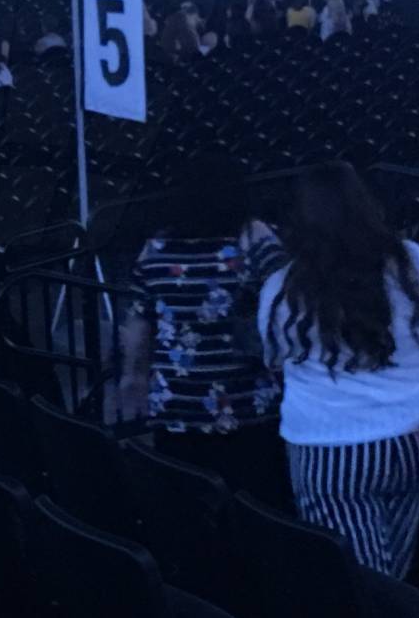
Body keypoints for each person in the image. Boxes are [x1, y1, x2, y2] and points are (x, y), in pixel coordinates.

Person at [256, 166, 419, 580]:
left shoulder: (281, 287)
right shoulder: (412, 263)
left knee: (361, 585)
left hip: (326, 450)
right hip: (412, 441)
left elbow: (274, 358)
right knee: (394, 574)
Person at [114, 156, 289, 497]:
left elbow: (137, 325)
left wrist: (132, 379)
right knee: (256, 505)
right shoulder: (253, 242)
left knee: (189, 506)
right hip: (247, 403)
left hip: (177, 402)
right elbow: (290, 299)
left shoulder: (155, 250)